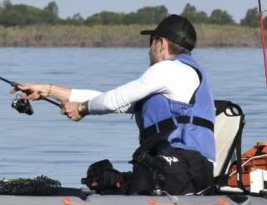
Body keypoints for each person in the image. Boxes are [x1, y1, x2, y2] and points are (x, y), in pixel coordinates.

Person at [15, 14, 217, 195]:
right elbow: (108, 99)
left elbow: (114, 100)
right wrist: (49, 90)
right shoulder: (174, 77)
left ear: (161, 44)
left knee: (137, 173)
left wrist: (82, 108)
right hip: (178, 169)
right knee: (104, 178)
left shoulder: (170, 70)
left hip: (189, 169)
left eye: (151, 42)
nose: (148, 51)